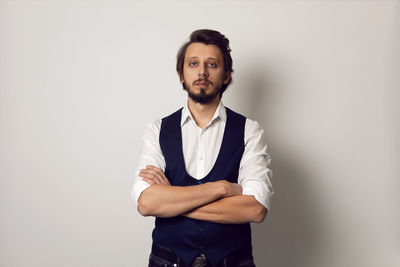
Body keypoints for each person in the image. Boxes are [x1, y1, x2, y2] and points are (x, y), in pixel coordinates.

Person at [132, 29, 273, 267]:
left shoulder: (250, 130)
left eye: (212, 64)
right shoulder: (158, 130)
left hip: (232, 261)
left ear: (226, 75)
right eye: (193, 63)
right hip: (168, 261)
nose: (202, 72)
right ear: (181, 74)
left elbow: (255, 209)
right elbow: (147, 203)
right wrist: (220, 189)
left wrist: (172, 200)